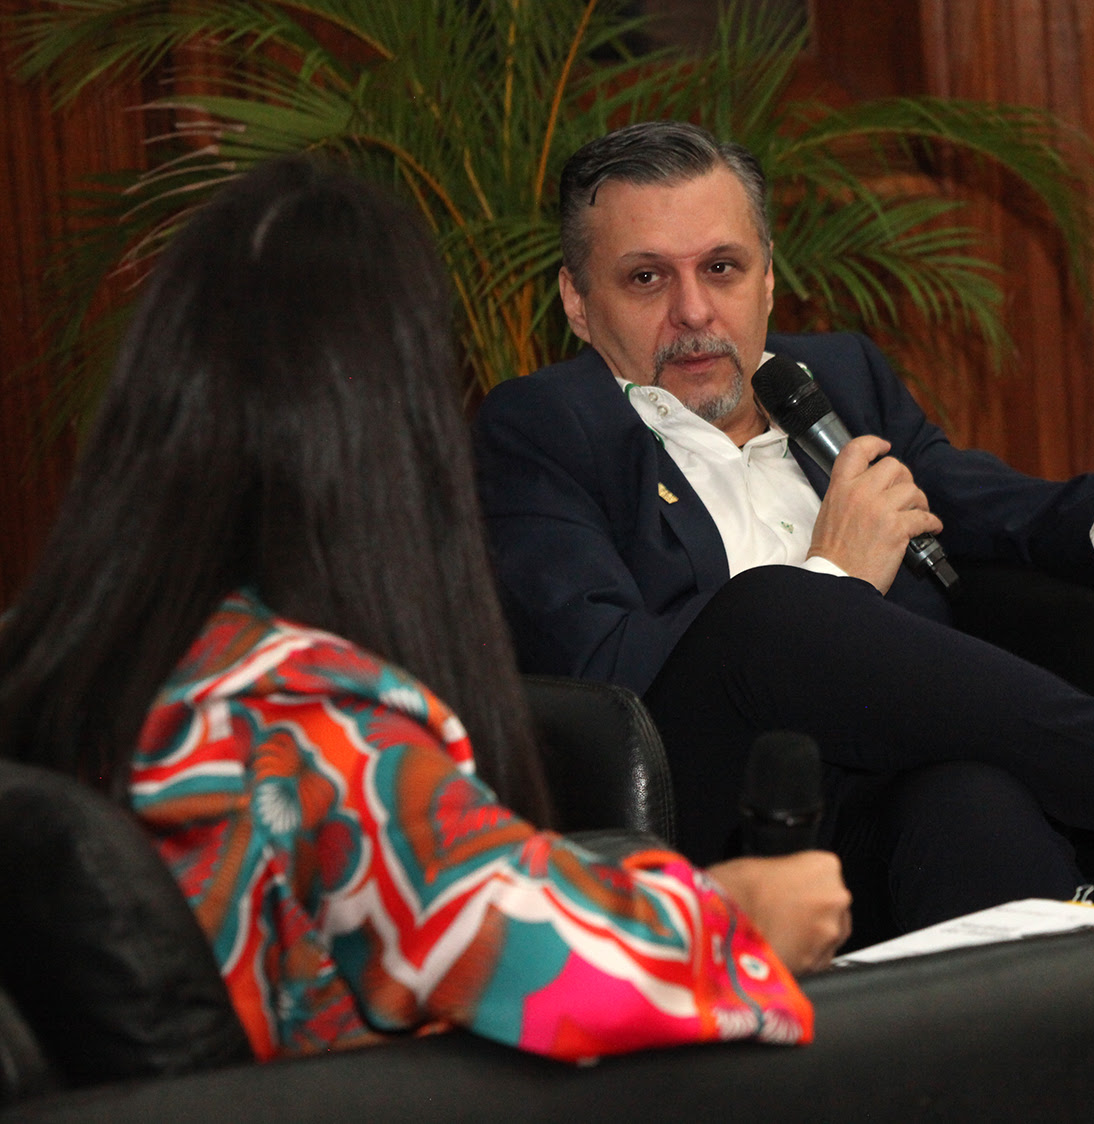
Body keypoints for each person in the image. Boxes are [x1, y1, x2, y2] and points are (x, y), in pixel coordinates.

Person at [0, 156, 853, 1063]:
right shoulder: (307, 720)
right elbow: (554, 970)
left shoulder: (101, 657)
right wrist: (742, 914)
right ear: (384, 429)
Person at [471, 120, 1094, 937]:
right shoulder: (542, 429)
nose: (694, 311)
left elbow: (978, 502)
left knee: (972, 805)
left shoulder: (837, 378)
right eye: (646, 278)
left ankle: (1086, 1022)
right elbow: (602, 667)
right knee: (771, 610)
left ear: (768, 278)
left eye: (722, 268)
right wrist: (832, 578)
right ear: (578, 303)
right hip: (702, 818)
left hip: (878, 807)